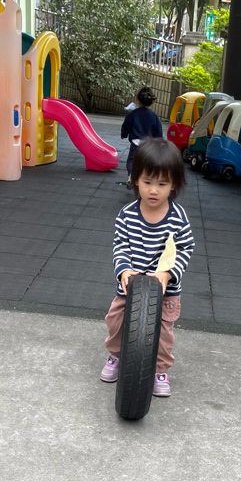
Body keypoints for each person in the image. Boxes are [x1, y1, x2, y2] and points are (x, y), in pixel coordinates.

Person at [100, 138, 194, 398]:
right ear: (135, 179)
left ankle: (160, 370)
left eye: (162, 184)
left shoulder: (178, 217)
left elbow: (185, 248)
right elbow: (120, 245)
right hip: (130, 286)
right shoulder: (127, 214)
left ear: (173, 184)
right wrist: (124, 271)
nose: (154, 190)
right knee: (116, 320)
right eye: (147, 182)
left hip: (166, 290)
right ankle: (116, 355)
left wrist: (167, 273)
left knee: (163, 332)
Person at [121, 86, 163, 187]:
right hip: (148, 144)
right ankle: (145, 180)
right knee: (146, 163)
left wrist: (124, 134)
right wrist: (159, 142)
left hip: (136, 143)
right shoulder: (154, 116)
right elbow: (158, 130)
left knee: (132, 161)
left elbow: (126, 125)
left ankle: (131, 177)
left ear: (138, 100)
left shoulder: (133, 114)